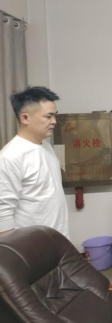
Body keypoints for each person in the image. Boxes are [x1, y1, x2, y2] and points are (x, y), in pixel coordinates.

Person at [0, 87, 69, 238]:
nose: (54, 121)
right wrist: (12, 249)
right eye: (48, 116)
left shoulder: (46, 147)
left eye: (55, 115)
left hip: (58, 239)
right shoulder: (10, 157)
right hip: (31, 246)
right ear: (25, 118)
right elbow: (2, 213)